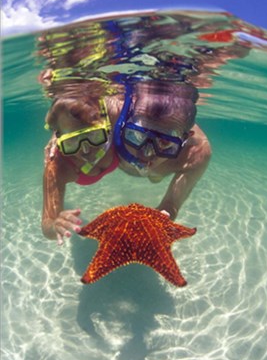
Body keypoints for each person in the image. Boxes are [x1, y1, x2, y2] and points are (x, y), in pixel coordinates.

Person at [115, 80, 211, 220]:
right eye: (137, 135)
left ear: (186, 139)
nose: (146, 154)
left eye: (165, 142)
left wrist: (164, 216)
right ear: (124, 120)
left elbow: (170, 206)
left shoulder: (197, 152)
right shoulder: (108, 121)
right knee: (155, 176)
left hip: (158, 172)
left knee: (155, 177)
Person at [41, 81, 119, 245]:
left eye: (93, 136)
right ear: (61, 138)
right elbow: (47, 225)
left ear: (107, 124)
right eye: (71, 142)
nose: (85, 151)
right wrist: (55, 225)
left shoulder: (115, 114)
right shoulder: (56, 164)